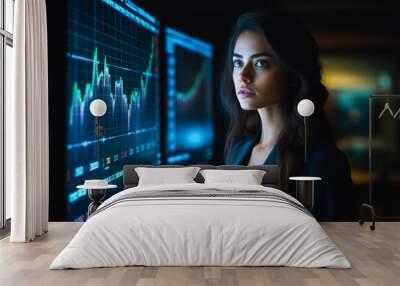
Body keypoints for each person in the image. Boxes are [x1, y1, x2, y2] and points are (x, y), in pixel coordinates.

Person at [220, 12, 355, 221]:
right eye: (238, 63)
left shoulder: (323, 162)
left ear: (291, 73)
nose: (243, 76)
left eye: (260, 64)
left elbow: (341, 242)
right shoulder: (238, 150)